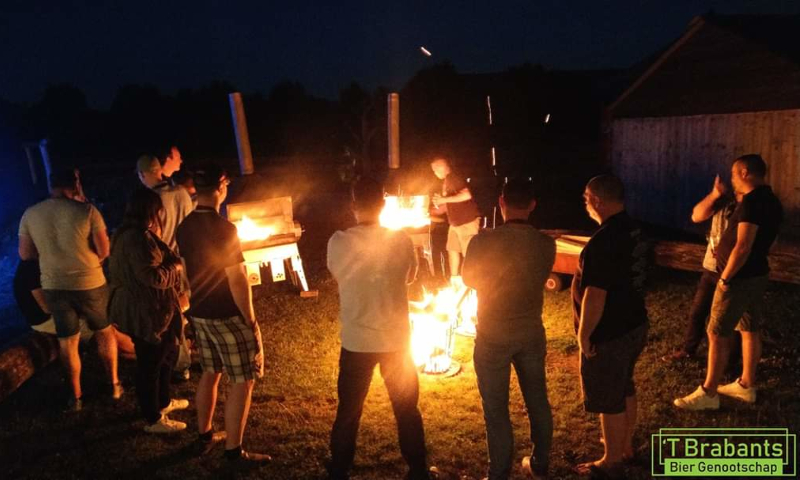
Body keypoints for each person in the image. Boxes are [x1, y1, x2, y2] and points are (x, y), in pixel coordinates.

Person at [326, 177, 432, 480]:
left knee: (348, 411)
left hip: (357, 340)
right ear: (384, 205)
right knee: (406, 410)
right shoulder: (399, 240)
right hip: (395, 341)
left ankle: (339, 469)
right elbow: (409, 278)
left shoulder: (339, 241)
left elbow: (338, 275)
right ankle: (418, 469)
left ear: (353, 206)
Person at [176, 164, 270, 464]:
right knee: (242, 379)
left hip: (200, 312)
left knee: (210, 372)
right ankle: (234, 451)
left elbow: (185, 270)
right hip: (227, 314)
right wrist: (250, 319)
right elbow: (238, 278)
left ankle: (204, 435)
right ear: (220, 189)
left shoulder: (185, 226)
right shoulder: (224, 229)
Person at [462, 178, 555, 480]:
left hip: (492, 335)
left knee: (496, 408)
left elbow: (469, 279)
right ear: (532, 205)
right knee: (537, 398)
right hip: (530, 331)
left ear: (501, 203)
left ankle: (499, 472)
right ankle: (540, 463)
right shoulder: (545, 244)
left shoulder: (483, 241)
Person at [674, 154, 783, 410]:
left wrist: (725, 278)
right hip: (756, 274)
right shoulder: (772, 200)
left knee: (716, 332)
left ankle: (708, 392)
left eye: (734, 174)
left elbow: (743, 246)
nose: (732, 180)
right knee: (748, 328)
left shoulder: (753, 202)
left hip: (738, 278)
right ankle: (746, 384)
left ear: (744, 173)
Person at [18, 168, 121, 411]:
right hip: (90, 282)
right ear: (73, 185)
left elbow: (25, 254)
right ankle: (114, 384)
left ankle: (75, 396)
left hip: (54, 285)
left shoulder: (31, 214)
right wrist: (90, 263)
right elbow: (104, 249)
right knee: (105, 332)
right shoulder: (87, 211)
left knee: (68, 340)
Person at [571, 174, 648, 475]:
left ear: (597, 200)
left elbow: (595, 294)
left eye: (586, 198)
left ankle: (611, 459)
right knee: (625, 385)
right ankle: (625, 445)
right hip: (634, 323)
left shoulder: (603, 242)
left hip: (611, 332)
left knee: (608, 397)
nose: (585, 204)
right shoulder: (634, 229)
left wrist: (584, 333)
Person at [108, 188, 190, 433]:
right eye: (158, 210)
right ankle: (152, 418)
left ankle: (162, 402)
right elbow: (152, 277)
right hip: (145, 311)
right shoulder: (137, 239)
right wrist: (174, 267)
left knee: (165, 355)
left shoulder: (135, 234)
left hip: (152, 308)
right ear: (151, 211)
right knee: (150, 362)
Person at [662, 176, 739, 362]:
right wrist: (714, 194)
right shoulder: (722, 203)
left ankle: (732, 359)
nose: (734, 183)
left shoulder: (746, 208)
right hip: (711, 268)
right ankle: (688, 350)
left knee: (731, 317)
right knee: (698, 312)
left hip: (733, 270)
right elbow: (696, 215)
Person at [13, 259, 136, 357]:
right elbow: (47, 308)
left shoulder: (39, 263)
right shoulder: (30, 270)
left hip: (58, 315)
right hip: (46, 322)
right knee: (107, 332)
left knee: (106, 327)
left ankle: (140, 356)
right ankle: (144, 354)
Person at [430, 157, 481, 283]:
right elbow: (450, 204)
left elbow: (466, 195)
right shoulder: (447, 182)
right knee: (452, 249)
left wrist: (443, 199)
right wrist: (433, 211)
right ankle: (455, 281)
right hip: (455, 224)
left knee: (469, 254)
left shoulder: (453, 178)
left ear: (441, 168)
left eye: (435, 170)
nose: (434, 173)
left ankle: (472, 283)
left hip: (467, 222)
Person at [136, 154, 194, 250]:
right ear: (159, 170)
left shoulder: (151, 200)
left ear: (142, 174)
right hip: (185, 259)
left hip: (164, 261)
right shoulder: (182, 192)